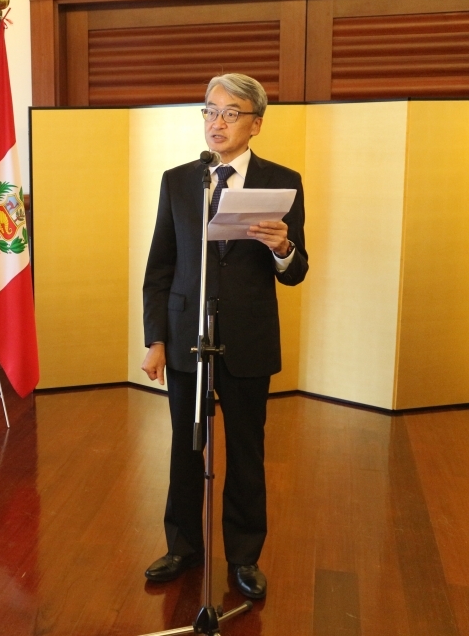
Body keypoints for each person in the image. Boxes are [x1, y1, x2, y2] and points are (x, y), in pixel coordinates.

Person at [140, 73, 309, 600]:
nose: (217, 122)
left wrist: (283, 247)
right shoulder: (178, 180)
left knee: (247, 450)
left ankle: (243, 556)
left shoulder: (284, 181)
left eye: (230, 113)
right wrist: (155, 339)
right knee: (185, 449)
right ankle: (183, 546)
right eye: (209, 111)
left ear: (256, 123)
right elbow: (160, 265)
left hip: (249, 338)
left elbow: (296, 270)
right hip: (186, 331)